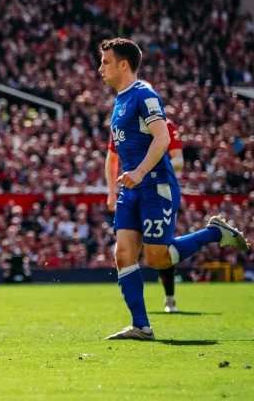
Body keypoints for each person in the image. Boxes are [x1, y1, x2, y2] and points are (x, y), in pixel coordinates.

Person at [98, 37, 248, 341]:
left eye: (106, 62)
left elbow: (163, 138)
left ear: (123, 64)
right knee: (123, 253)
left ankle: (214, 233)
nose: (101, 68)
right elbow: (114, 153)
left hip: (155, 185)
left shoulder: (145, 95)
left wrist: (139, 172)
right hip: (132, 188)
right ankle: (141, 325)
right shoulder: (119, 101)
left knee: (158, 259)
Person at [106, 118, 184, 313]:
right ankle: (138, 315)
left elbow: (178, 160)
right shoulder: (120, 123)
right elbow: (112, 158)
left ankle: (170, 297)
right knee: (125, 251)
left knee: (159, 250)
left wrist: (146, 170)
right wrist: (111, 192)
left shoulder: (164, 124)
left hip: (158, 192)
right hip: (132, 192)